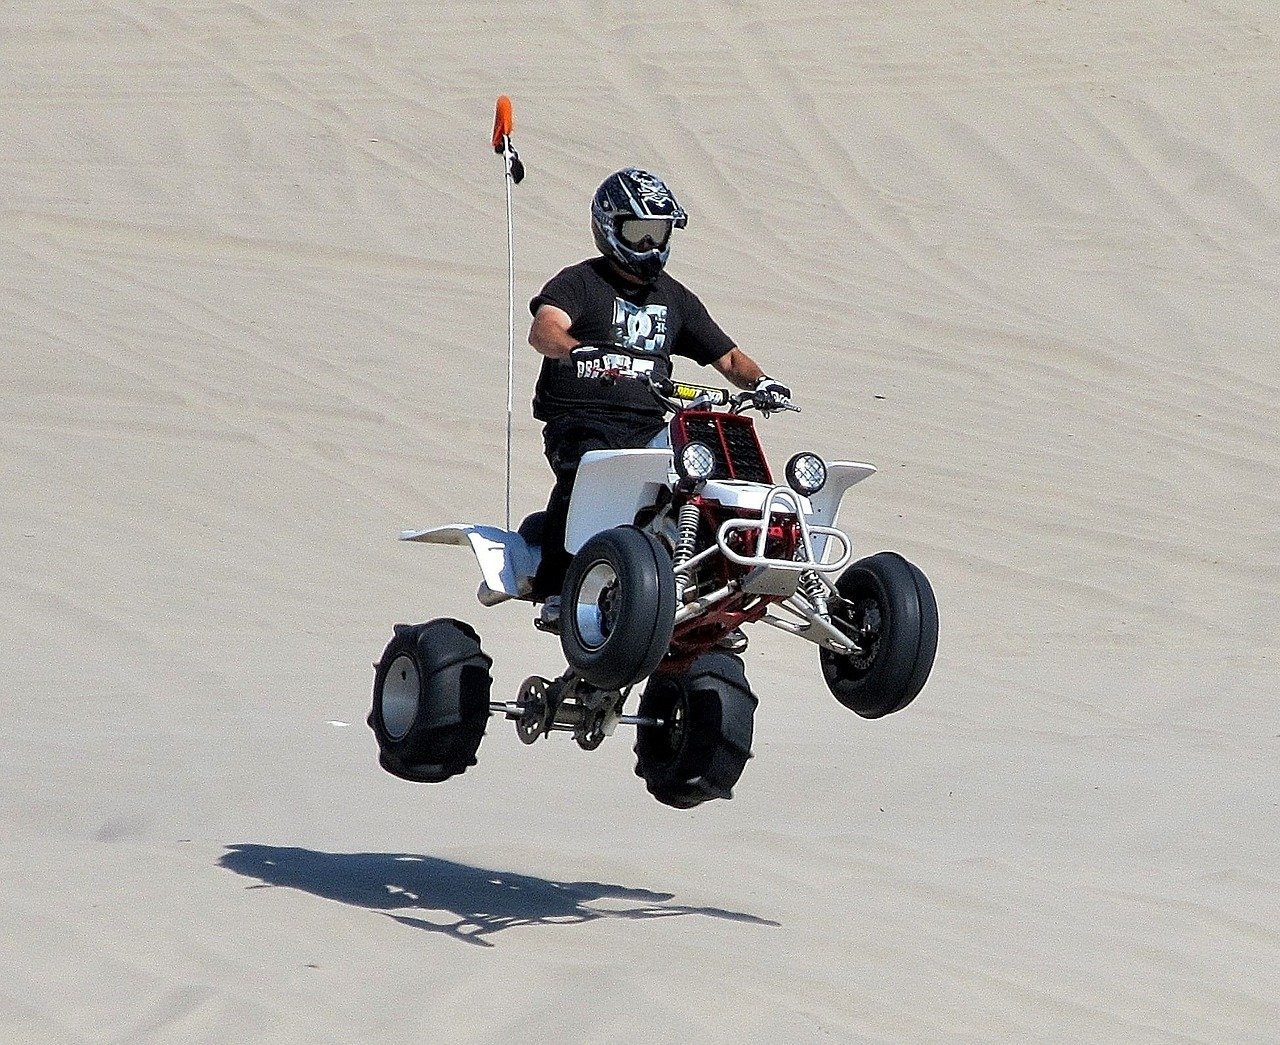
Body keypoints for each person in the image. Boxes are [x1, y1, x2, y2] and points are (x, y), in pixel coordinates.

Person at [527, 167, 792, 631]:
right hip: (582, 420)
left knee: (704, 474)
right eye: (640, 232)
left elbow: (728, 358)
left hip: (652, 423)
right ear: (610, 228)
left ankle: (713, 578)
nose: (651, 245)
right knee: (588, 474)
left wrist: (764, 382)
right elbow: (544, 328)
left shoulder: (673, 298)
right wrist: (578, 351)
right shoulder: (580, 283)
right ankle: (557, 587)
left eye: (659, 233)